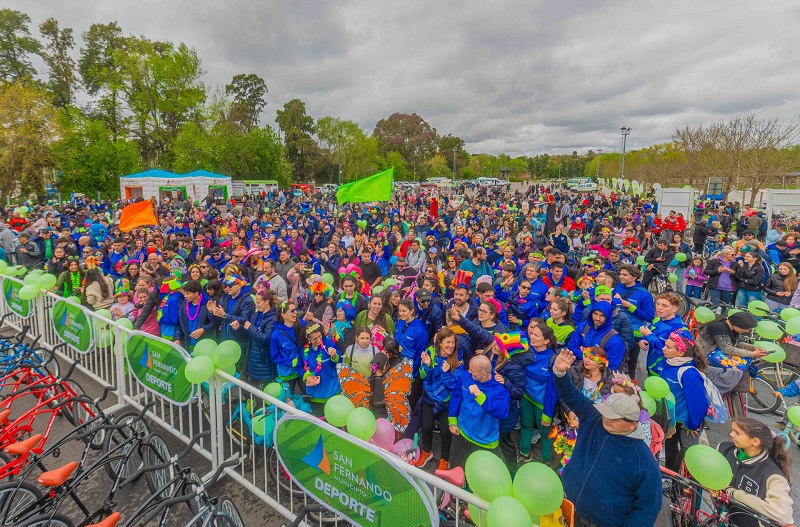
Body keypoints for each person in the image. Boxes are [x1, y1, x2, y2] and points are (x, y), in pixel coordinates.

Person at [551, 348, 662, 527]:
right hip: (569, 504)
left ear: (632, 424)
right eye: (606, 414)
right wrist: (560, 372)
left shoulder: (644, 461)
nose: (606, 420)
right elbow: (570, 396)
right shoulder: (594, 417)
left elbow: (647, 509)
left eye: (614, 418)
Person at [718, 418, 794, 527]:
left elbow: (782, 514)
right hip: (720, 514)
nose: (731, 434)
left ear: (755, 441)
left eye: (737, 433)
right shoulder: (724, 449)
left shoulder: (772, 475)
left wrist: (733, 493)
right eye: (732, 430)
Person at [447, 354, 510, 469]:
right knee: (456, 468)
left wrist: (480, 396)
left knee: (480, 476)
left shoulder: (500, 390)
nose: (469, 371)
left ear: (484, 374)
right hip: (461, 433)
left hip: (484, 442)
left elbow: (502, 412)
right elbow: (456, 396)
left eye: (472, 370)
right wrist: (452, 420)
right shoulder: (465, 376)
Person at [659, 330, 710, 471]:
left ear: (681, 353)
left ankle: (686, 487)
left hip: (686, 424)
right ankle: (671, 476)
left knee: (688, 456)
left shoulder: (689, 373)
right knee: (670, 449)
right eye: (665, 345)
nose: (663, 348)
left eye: (668, 347)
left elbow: (698, 403)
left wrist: (692, 424)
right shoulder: (669, 363)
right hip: (671, 419)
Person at [416, 327, 463, 470]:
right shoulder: (430, 352)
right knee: (427, 426)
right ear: (440, 343)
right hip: (429, 397)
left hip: (446, 401)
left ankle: (444, 459)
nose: (451, 346)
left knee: (445, 432)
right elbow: (423, 376)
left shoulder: (458, 359)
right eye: (448, 342)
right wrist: (428, 366)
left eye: (453, 342)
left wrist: (445, 373)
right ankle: (427, 451)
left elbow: (454, 385)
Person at [518, 320, 559, 466]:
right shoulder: (528, 350)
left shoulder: (552, 360)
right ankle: (524, 454)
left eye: (536, 335)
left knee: (546, 433)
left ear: (546, 341)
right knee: (526, 425)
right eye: (532, 334)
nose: (532, 337)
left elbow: (553, 390)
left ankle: (547, 462)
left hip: (543, 402)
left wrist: (548, 414)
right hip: (526, 397)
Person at [567, 302, 627, 372]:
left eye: (602, 315)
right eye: (595, 314)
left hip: (600, 376)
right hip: (579, 369)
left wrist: (584, 353)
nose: (597, 318)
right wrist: (594, 358)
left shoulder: (614, 340)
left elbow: (611, 366)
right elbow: (571, 346)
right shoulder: (583, 327)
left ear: (608, 317)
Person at [270, 300, 303, 394]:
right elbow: (274, 356)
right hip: (286, 373)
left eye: (295, 310)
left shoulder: (300, 324)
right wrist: (290, 362)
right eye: (292, 311)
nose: (296, 312)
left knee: (306, 395)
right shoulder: (275, 335)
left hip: (300, 369)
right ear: (283, 315)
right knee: (288, 400)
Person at [174, 280, 213, 352]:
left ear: (196, 293)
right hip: (187, 345)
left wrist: (203, 329)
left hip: (203, 346)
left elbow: (215, 323)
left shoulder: (208, 304)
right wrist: (177, 338)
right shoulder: (183, 304)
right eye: (185, 293)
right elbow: (180, 323)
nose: (185, 296)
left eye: (188, 294)